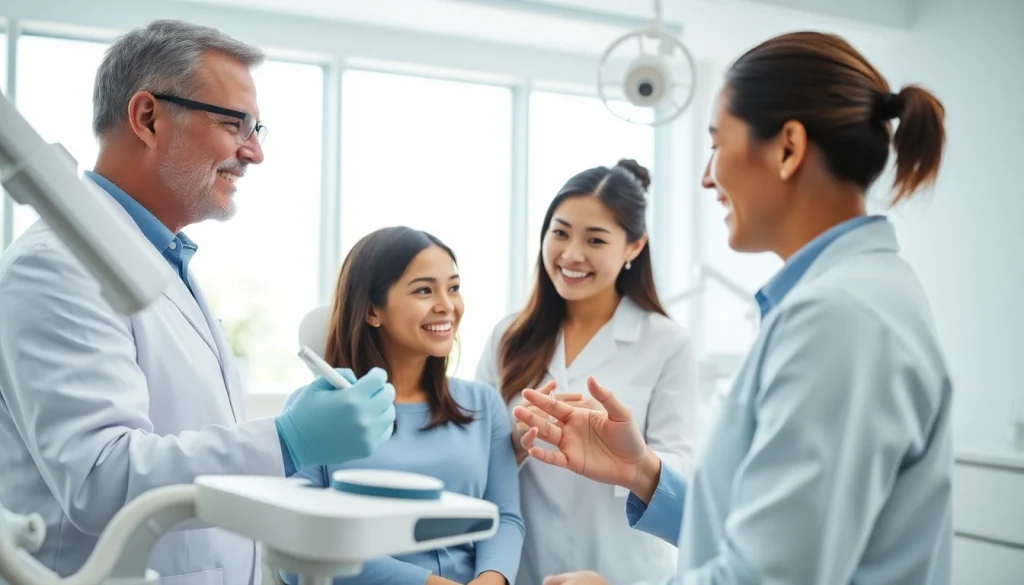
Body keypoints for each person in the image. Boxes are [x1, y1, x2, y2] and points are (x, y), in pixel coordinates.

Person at [512, 31, 953, 585]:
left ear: (788, 148)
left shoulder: (841, 317)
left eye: (717, 143)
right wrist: (643, 471)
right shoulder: (855, 295)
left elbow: (777, 573)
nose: (706, 176)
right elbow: (769, 528)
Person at [0, 20, 395, 585]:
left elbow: (178, 436)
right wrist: (286, 441)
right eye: (233, 123)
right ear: (147, 117)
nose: (254, 151)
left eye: (256, 128)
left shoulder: (158, 257)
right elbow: (99, 479)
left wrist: (284, 430)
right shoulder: (54, 264)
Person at [476, 160, 698, 585]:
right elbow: (471, 458)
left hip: (620, 571)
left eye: (595, 239)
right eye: (560, 233)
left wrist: (622, 452)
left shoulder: (667, 343)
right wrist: (519, 443)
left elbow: (682, 467)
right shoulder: (508, 336)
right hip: (522, 568)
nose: (572, 254)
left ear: (634, 247)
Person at [285, 226, 524, 585]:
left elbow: (505, 517)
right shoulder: (316, 412)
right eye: (424, 290)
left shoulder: (482, 404)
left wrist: (491, 580)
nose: (446, 305)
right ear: (372, 311)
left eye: (454, 287)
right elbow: (296, 547)